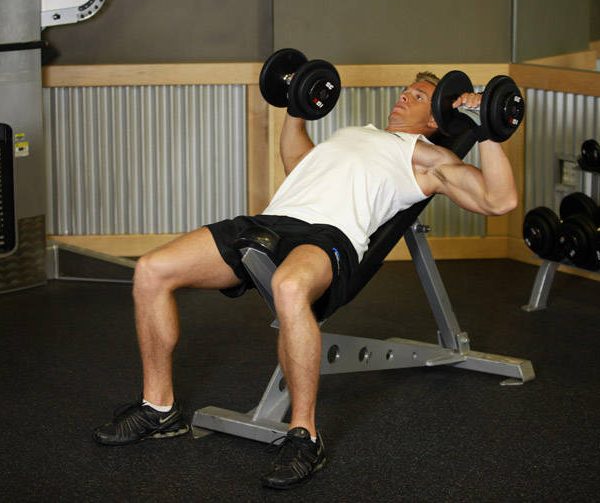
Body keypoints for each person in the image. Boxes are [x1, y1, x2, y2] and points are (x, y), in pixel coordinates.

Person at [93, 71, 518, 490]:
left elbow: (499, 200)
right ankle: (159, 408)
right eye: (405, 90)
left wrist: (487, 131)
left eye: (419, 96)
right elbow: (297, 164)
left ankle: (304, 437)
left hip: (328, 236)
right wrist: (296, 107)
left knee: (290, 287)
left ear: (436, 117)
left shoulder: (428, 159)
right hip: (268, 222)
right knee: (151, 270)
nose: (404, 97)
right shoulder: (353, 134)